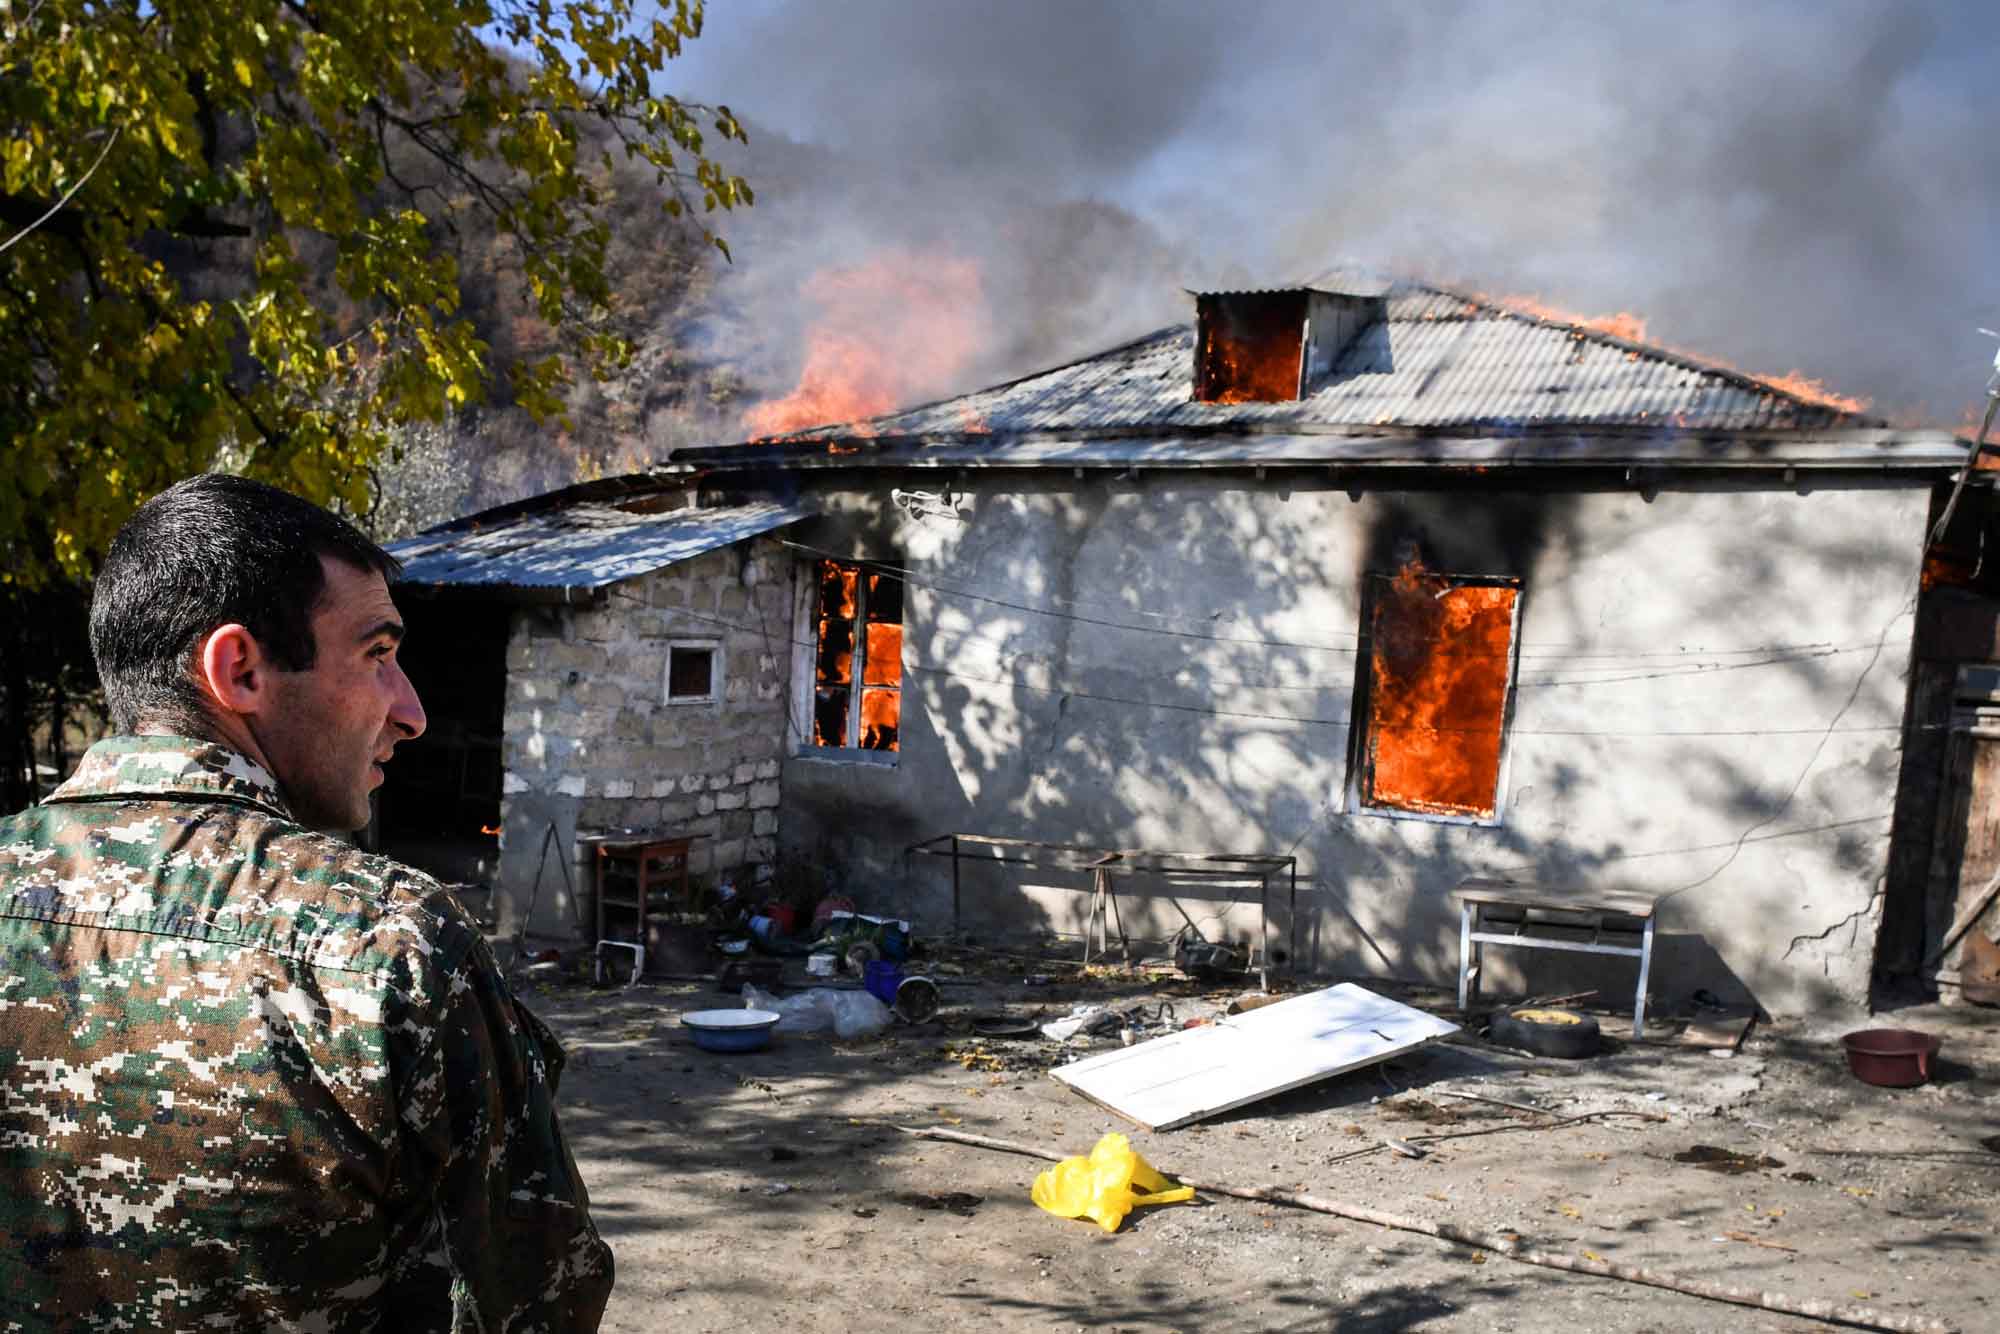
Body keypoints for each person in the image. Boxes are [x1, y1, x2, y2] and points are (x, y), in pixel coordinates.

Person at [0, 474, 612, 1331]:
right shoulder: (390, 941)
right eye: (377, 655)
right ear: (241, 670)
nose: (411, 711)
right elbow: (539, 1298)